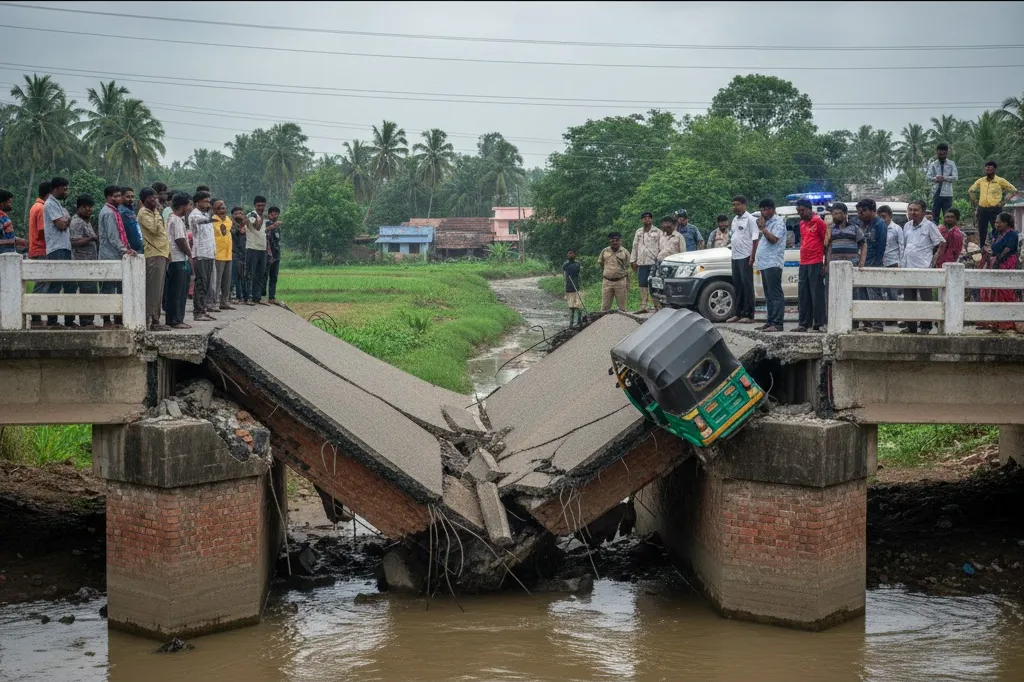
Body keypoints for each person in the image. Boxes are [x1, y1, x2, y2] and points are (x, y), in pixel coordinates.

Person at [900, 200, 945, 334]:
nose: (912, 212)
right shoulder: (907, 226)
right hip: (908, 267)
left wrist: (934, 259)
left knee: (926, 298)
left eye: (916, 210)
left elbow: (941, 243)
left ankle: (926, 326)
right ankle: (911, 326)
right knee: (909, 298)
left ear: (923, 212)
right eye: (910, 210)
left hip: (923, 267)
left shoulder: (929, 226)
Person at [977, 212, 1020, 332]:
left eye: (998, 222)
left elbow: (1008, 249)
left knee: (1004, 290)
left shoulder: (1012, 234)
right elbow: (989, 246)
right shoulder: (995, 233)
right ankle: (990, 321)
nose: (996, 224)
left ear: (1006, 223)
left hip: (1006, 263)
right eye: (995, 222)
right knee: (990, 289)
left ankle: (1005, 321)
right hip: (994, 261)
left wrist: (997, 260)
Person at [98, 185, 134, 327]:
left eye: (119, 195)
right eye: (115, 196)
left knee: (119, 287)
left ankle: (118, 318)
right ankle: (107, 319)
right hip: (109, 255)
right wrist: (124, 249)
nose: (118, 198)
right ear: (108, 197)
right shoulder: (108, 213)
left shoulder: (115, 211)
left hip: (115, 255)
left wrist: (127, 247)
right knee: (108, 288)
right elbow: (113, 236)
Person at [43, 177, 74, 327]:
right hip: (57, 248)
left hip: (63, 247)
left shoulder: (57, 204)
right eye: (65, 188)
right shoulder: (50, 204)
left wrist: (66, 218)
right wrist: (68, 218)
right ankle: (52, 320)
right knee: (56, 283)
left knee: (69, 284)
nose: (66, 191)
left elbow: (64, 221)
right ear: (56, 188)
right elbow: (62, 224)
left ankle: (69, 320)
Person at [137, 187, 169, 331]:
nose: (154, 199)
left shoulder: (153, 213)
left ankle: (155, 320)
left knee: (159, 291)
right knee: (153, 291)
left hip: (161, 253)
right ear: (144, 200)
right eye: (151, 197)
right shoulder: (144, 213)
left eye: (155, 197)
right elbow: (155, 230)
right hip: (153, 254)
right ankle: (147, 321)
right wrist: (157, 211)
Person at [854, 199, 888, 332]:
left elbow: (881, 246)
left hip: (873, 264)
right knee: (862, 294)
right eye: (859, 212)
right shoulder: (862, 224)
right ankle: (867, 322)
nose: (860, 214)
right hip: (862, 264)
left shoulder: (880, 224)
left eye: (863, 211)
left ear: (872, 210)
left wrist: (876, 264)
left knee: (874, 294)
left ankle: (877, 324)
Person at [795, 199, 829, 332]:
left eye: (802, 210)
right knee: (803, 293)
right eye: (798, 211)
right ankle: (804, 323)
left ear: (809, 209)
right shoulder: (802, 223)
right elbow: (803, 240)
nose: (800, 213)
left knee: (817, 293)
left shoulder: (819, 222)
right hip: (804, 261)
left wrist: (824, 263)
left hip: (816, 261)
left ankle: (819, 323)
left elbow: (826, 243)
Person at [754, 198, 786, 332]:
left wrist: (763, 229)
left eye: (765, 209)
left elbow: (773, 240)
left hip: (773, 262)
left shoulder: (778, 222)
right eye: (761, 209)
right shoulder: (766, 222)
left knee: (775, 293)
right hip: (764, 263)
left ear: (772, 209)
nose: (763, 212)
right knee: (768, 294)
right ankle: (770, 320)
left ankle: (777, 323)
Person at [969, 161, 1017, 248]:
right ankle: (982, 248)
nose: (987, 169)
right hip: (982, 209)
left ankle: (997, 247)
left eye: (990, 167)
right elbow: (970, 190)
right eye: (986, 167)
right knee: (982, 229)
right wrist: (976, 201)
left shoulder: (1000, 181)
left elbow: (1014, 190)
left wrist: (1003, 202)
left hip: (995, 209)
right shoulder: (981, 180)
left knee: (997, 229)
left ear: (994, 169)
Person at [726, 196, 759, 323]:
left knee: (747, 285)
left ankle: (749, 314)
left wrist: (752, 256)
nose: (735, 207)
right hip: (735, 256)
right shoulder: (734, 219)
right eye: (733, 204)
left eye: (737, 204)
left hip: (746, 256)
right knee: (738, 285)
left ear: (744, 205)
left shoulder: (750, 219)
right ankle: (738, 313)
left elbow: (755, 239)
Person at [68, 194, 99, 327]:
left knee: (91, 291)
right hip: (82, 262)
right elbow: (74, 241)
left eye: (90, 207)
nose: (89, 210)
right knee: (87, 291)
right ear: (79, 207)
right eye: (85, 207)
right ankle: (86, 321)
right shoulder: (76, 222)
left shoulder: (86, 221)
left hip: (90, 262)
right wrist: (91, 239)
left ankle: (88, 320)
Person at [165, 194, 193, 329]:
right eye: (189, 205)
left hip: (178, 259)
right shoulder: (175, 220)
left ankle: (175, 318)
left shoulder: (176, 219)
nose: (190, 208)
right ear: (182, 206)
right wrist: (189, 252)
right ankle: (175, 319)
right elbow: (180, 239)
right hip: (177, 259)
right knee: (177, 291)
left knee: (179, 290)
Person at [188, 191, 216, 321]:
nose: (208, 204)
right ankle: (198, 311)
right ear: (197, 202)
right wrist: (212, 215)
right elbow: (201, 221)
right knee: (201, 284)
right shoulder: (195, 215)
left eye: (208, 201)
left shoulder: (206, 214)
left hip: (209, 253)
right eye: (205, 201)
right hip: (200, 253)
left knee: (206, 284)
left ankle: (203, 309)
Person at [27, 181, 50, 327]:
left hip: (35, 248)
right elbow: (42, 232)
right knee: (43, 282)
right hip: (42, 248)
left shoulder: (35, 206)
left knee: (41, 282)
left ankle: (35, 314)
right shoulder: (42, 208)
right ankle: (35, 315)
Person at [629, 211, 661, 313]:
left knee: (654, 284)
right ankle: (643, 306)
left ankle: (657, 306)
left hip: (653, 262)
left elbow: (662, 246)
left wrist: (660, 259)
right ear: (642, 220)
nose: (646, 219)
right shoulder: (638, 232)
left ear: (651, 219)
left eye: (648, 218)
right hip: (642, 262)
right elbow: (635, 246)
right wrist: (633, 260)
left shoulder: (657, 231)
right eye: (644, 218)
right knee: (642, 284)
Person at [212, 200, 235, 312]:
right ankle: (215, 302)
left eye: (224, 208)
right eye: (220, 209)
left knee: (227, 280)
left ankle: (224, 301)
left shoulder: (228, 220)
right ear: (215, 210)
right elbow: (223, 231)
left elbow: (227, 226)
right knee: (217, 281)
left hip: (228, 253)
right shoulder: (213, 220)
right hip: (218, 254)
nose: (222, 211)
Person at [926, 143, 958, 224]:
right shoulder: (933, 164)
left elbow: (955, 177)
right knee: (934, 216)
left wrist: (945, 178)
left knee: (948, 216)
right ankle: (935, 234)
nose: (942, 155)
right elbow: (928, 177)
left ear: (946, 153)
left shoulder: (951, 164)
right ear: (937, 152)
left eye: (944, 154)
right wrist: (935, 178)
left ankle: (947, 233)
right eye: (940, 153)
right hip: (936, 193)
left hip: (947, 194)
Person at [245, 196, 269, 305]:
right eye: (259, 205)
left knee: (261, 273)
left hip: (262, 248)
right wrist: (262, 218)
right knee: (251, 273)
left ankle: (257, 297)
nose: (261, 208)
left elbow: (263, 233)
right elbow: (257, 227)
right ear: (255, 205)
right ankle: (248, 297)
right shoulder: (252, 215)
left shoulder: (262, 216)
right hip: (252, 247)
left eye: (263, 205)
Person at [879, 205, 904, 304]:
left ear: (890, 216)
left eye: (884, 216)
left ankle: (893, 318)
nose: (882, 219)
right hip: (880, 263)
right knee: (881, 291)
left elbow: (902, 246)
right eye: (880, 217)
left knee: (892, 292)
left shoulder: (896, 229)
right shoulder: (878, 228)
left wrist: (900, 263)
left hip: (893, 262)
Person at [599, 232, 630, 312]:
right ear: (610, 241)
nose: (615, 242)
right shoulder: (604, 251)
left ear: (620, 241)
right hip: (607, 282)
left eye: (617, 240)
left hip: (620, 282)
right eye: (613, 240)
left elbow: (628, 266)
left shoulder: (625, 252)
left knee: (622, 307)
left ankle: (623, 323)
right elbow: (601, 263)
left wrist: (627, 282)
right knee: (604, 307)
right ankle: (604, 324)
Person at [265, 205, 283, 304]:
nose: (275, 216)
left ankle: (272, 297)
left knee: (274, 276)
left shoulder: (277, 228)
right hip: (268, 255)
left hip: (276, 255)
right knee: (265, 275)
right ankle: (261, 295)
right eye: (273, 214)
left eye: (276, 214)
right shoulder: (267, 225)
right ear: (269, 215)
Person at [119, 186, 144, 254]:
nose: (131, 199)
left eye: (132, 197)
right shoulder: (125, 212)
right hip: (133, 248)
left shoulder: (129, 210)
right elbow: (131, 232)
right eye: (128, 197)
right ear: (121, 197)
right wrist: (137, 247)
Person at [0, 189, 26, 254]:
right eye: (9, 202)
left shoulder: (4, 217)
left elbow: (6, 236)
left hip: (8, 256)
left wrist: (20, 241)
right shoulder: (2, 218)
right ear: (2, 203)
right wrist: (13, 241)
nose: (11, 205)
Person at [230, 206, 247, 303]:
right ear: (232, 215)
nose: (239, 215)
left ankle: (241, 296)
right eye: (236, 214)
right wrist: (239, 227)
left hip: (243, 253)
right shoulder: (230, 225)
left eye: (241, 213)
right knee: (234, 275)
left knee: (242, 276)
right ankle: (234, 296)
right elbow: (233, 233)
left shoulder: (246, 226)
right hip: (233, 253)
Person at [562, 249, 584, 327]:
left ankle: (579, 322)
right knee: (571, 308)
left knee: (579, 306)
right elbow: (564, 273)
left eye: (571, 253)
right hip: (569, 288)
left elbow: (575, 271)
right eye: (568, 253)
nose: (570, 255)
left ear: (575, 255)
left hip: (577, 288)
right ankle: (571, 324)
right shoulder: (565, 264)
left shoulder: (577, 264)